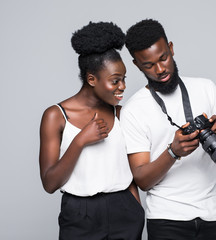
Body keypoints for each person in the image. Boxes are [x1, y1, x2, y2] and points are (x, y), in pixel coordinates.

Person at [120, 19, 216, 240]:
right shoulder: (133, 110)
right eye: (149, 65)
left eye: (163, 58)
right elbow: (142, 180)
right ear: (136, 65)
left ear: (171, 48)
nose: (160, 69)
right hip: (167, 221)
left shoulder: (206, 87)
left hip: (215, 214)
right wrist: (173, 153)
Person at [39, 22, 144, 240]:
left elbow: (130, 168)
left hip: (124, 209)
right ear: (91, 79)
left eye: (124, 79)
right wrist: (80, 141)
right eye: (115, 80)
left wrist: (136, 207)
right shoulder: (56, 116)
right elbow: (49, 183)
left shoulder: (122, 114)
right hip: (80, 214)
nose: (123, 86)